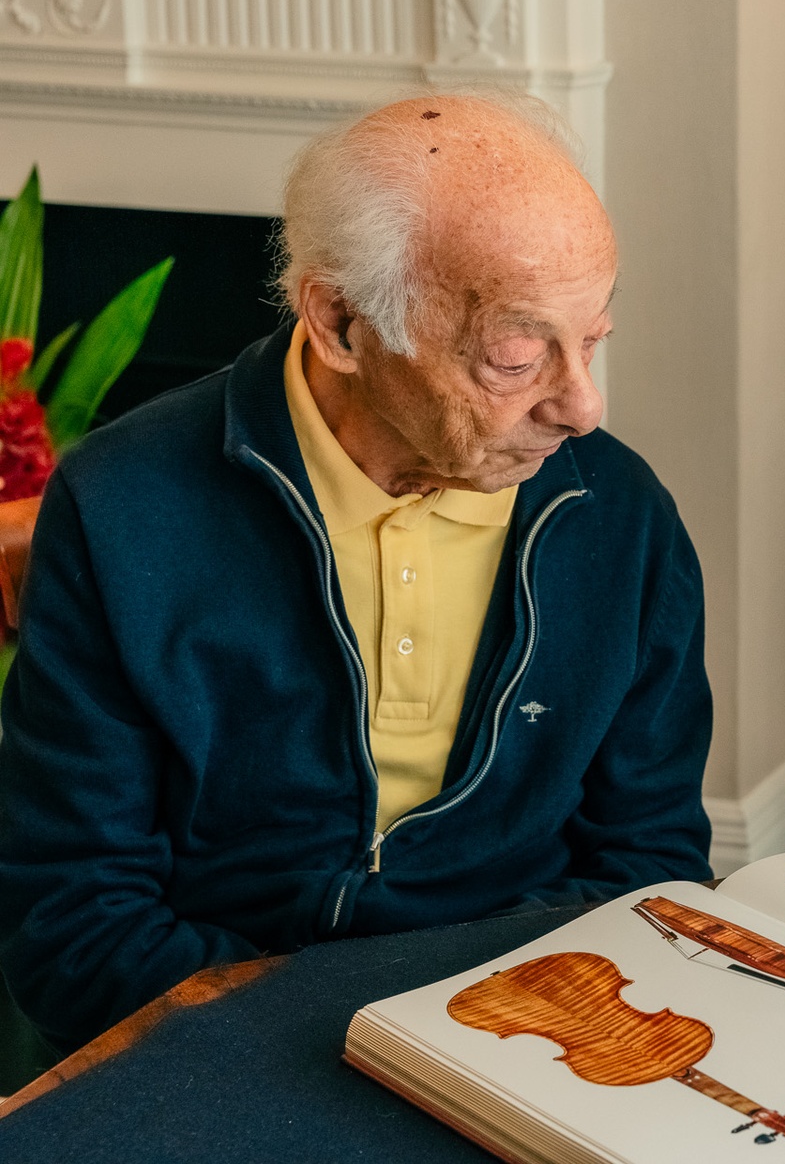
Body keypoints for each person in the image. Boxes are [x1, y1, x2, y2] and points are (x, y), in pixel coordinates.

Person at [0, 94, 714, 1051]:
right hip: (215, 1033)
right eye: (516, 355)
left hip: (522, 1036)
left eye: (591, 341)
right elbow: (73, 919)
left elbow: (649, 866)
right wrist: (356, 1046)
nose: (583, 407)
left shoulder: (620, 517)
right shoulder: (123, 506)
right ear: (340, 322)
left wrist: (493, 1037)